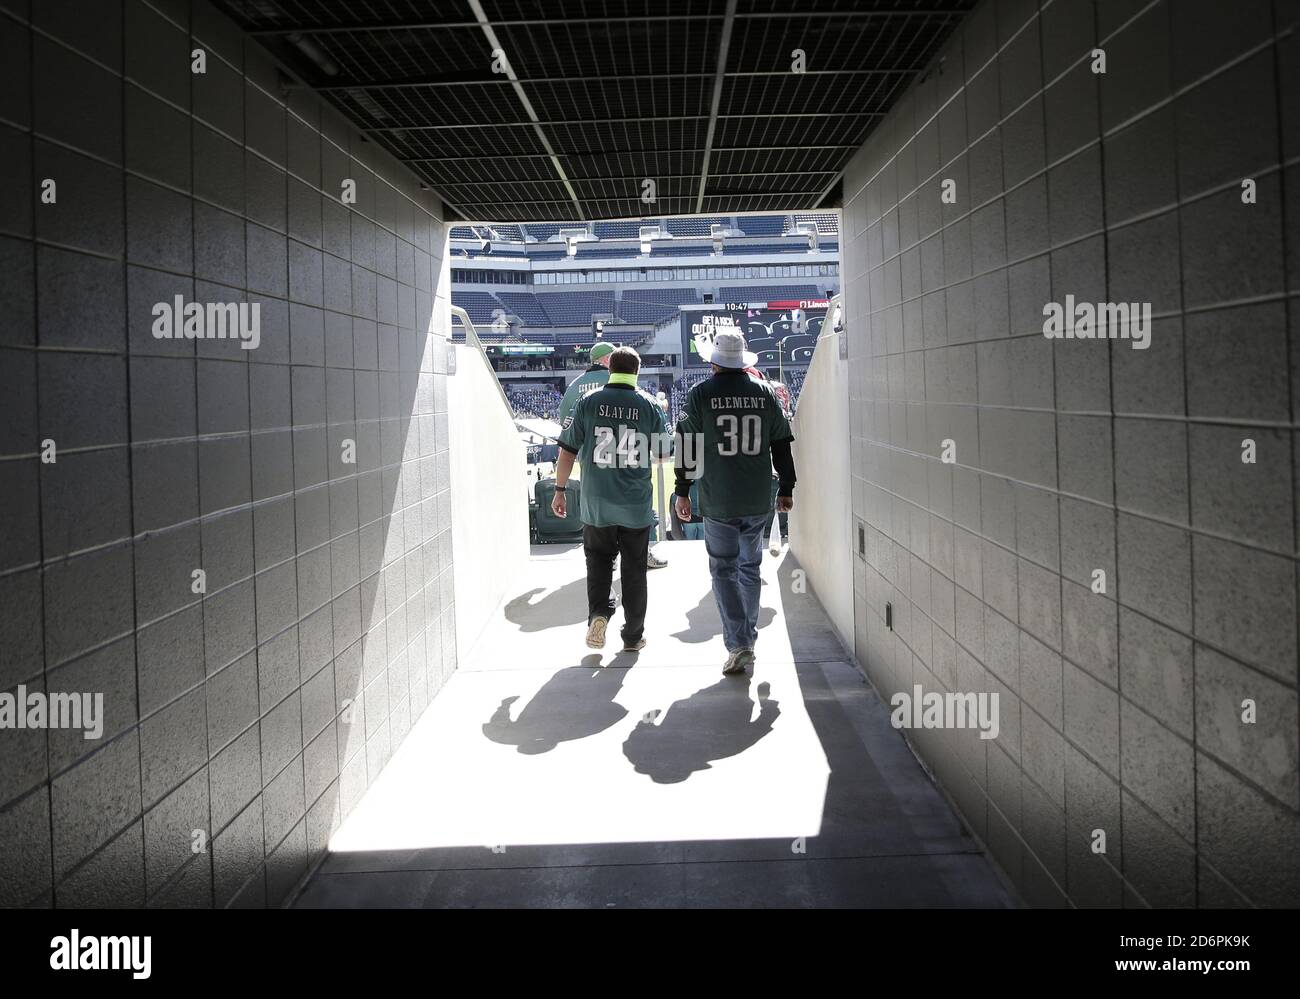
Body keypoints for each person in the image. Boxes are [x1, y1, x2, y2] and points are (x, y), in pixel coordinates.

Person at [674, 331, 796, 676]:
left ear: (714, 362)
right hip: (757, 497)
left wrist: (682, 490)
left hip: (719, 499)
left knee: (723, 570)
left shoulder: (700, 395)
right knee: (749, 568)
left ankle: (740, 642)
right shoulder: (764, 392)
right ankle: (748, 639)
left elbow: (687, 447)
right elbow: (782, 445)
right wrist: (786, 487)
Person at [553, 347, 673, 653]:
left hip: (596, 503)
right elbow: (663, 454)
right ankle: (633, 636)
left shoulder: (588, 401)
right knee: (634, 570)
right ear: (637, 371)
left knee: (598, 562)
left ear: (610, 369)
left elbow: (566, 450)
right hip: (634, 504)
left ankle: (598, 615)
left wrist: (560, 489)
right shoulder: (648, 404)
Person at [557, 340, 669, 569]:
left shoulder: (575, 387)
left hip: (595, 467)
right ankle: (642, 554)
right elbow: (661, 448)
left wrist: (560, 489)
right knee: (638, 521)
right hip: (630, 465)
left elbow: (565, 429)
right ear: (607, 361)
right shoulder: (618, 381)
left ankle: (607, 570)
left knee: (599, 547)